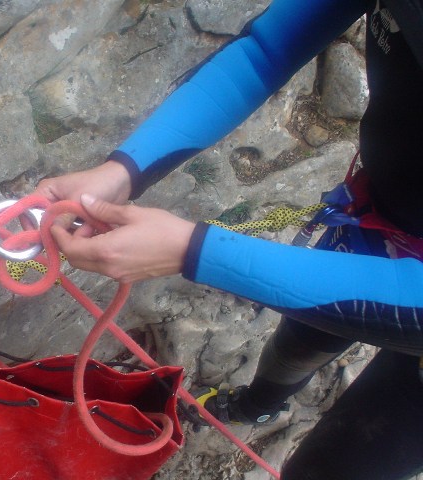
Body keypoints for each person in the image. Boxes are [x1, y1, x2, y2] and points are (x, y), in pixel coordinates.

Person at [33, 0, 423, 478]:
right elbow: (266, 50)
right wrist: (125, 170)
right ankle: (258, 406)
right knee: (300, 342)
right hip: (381, 221)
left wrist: (194, 251)